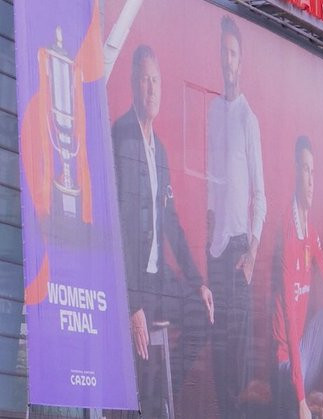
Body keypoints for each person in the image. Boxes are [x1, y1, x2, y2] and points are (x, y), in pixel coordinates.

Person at [112, 44, 214, 418]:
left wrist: (198, 281)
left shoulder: (160, 150)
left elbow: (170, 223)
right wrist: (133, 302)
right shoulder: (122, 137)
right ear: (133, 84)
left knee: (201, 312)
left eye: (156, 81)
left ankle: (156, 398)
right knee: (138, 358)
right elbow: (120, 225)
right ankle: (146, 401)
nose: (151, 89)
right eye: (144, 80)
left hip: (158, 281)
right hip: (134, 283)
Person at [206, 15, 267, 418]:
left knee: (239, 353)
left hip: (241, 250)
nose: (227, 61)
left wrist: (253, 255)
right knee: (218, 349)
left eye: (233, 53)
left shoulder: (249, 119)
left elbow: (261, 196)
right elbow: (210, 184)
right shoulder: (212, 111)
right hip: (216, 249)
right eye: (223, 53)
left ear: (240, 62)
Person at [273, 136, 323, 419]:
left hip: (302, 356)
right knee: (306, 330)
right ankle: (316, 405)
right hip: (286, 363)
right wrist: (301, 399)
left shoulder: (312, 233)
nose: (310, 180)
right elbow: (292, 325)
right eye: (305, 170)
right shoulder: (287, 233)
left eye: (313, 172)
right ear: (295, 172)